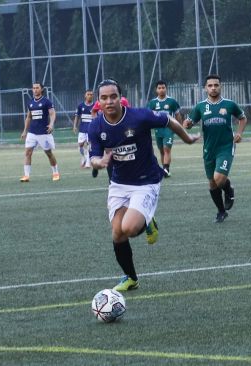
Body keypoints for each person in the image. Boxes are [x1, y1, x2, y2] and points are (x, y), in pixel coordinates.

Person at [88, 79, 199, 291]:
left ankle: (147, 221)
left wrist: (186, 139)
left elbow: (168, 121)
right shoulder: (96, 127)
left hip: (146, 181)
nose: (109, 101)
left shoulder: (139, 116)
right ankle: (131, 278)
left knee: (129, 228)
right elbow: (93, 156)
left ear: (120, 98)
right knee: (117, 233)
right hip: (119, 184)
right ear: (99, 101)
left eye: (113, 96)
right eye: (104, 98)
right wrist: (98, 162)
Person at [183, 74, 247, 223]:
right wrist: (187, 124)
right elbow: (190, 121)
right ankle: (221, 211)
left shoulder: (229, 104)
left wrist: (239, 133)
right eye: (210, 85)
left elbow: (242, 118)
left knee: (219, 179)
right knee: (212, 183)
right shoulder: (200, 107)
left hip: (225, 147)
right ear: (205, 88)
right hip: (208, 149)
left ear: (220, 86)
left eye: (216, 85)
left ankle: (228, 188)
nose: (213, 88)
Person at [20, 81, 61, 182]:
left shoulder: (46, 101)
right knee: (27, 153)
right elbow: (29, 117)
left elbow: (52, 114)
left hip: (43, 132)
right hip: (32, 132)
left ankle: (55, 173)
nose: (35, 90)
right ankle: (26, 176)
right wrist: (25, 131)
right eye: (33, 88)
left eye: (37, 88)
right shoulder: (30, 102)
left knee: (48, 153)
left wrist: (51, 124)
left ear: (41, 89)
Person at [146, 80, 182, 177]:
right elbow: (148, 116)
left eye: (163, 88)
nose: (161, 90)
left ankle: (166, 169)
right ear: (156, 90)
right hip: (158, 129)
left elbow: (178, 114)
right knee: (161, 150)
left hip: (169, 128)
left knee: (167, 149)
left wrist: (179, 127)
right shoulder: (153, 103)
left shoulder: (172, 101)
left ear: (166, 89)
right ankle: (164, 170)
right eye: (159, 88)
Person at [90, 94, 130, 180]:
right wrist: (96, 122)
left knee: (118, 151)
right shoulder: (100, 102)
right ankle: (106, 175)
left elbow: (129, 112)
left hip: (120, 128)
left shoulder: (123, 101)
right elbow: (93, 111)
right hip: (104, 129)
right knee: (105, 151)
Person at [73, 89, 95, 175]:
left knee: (88, 145)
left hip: (91, 129)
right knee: (80, 145)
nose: (90, 96)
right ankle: (84, 157)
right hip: (82, 129)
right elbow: (77, 116)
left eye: (91, 94)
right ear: (85, 96)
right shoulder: (80, 106)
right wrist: (75, 126)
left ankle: (88, 162)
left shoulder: (95, 106)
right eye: (88, 94)